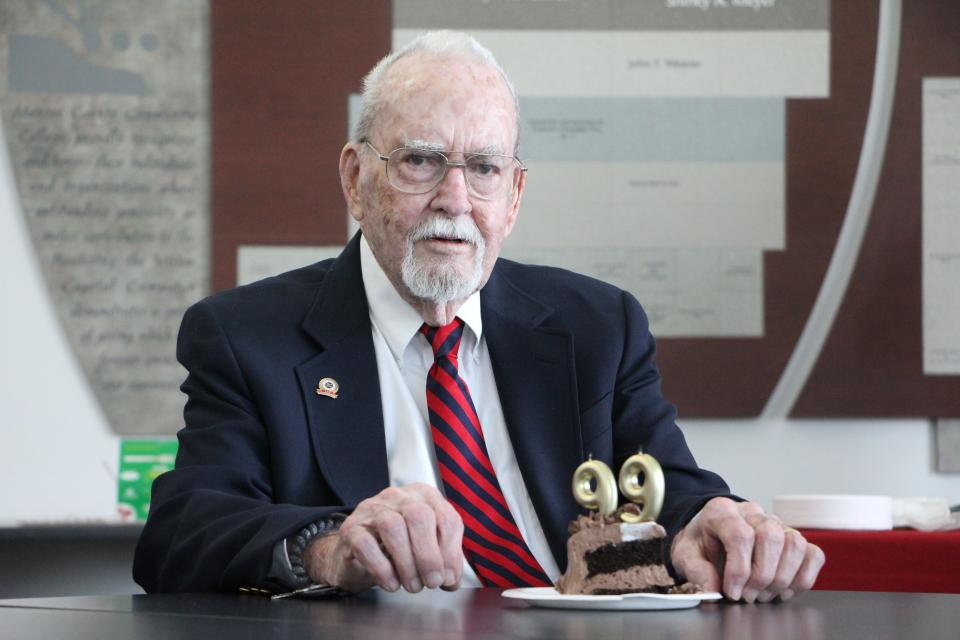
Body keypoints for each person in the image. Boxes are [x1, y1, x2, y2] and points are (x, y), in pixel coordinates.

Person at [133, 31, 824, 603]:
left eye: (485, 168)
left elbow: (661, 486)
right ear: (354, 177)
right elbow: (183, 532)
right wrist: (330, 545)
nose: (456, 199)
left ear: (515, 194)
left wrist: (709, 525)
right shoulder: (249, 336)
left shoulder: (596, 326)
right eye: (422, 161)